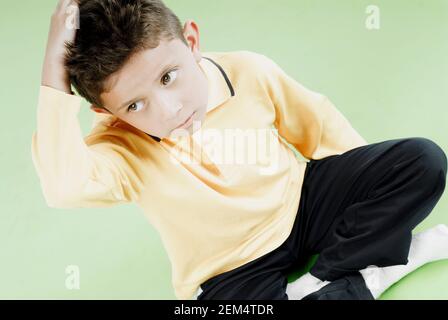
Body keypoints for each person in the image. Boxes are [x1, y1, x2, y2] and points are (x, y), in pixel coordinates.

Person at [32, 0, 448, 300]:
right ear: (106, 110)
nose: (169, 108)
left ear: (192, 41)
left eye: (168, 77)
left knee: (422, 160)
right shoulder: (117, 145)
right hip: (231, 269)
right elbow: (63, 187)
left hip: (300, 205)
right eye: (135, 105)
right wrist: (54, 65)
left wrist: (370, 205)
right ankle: (388, 269)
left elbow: (321, 129)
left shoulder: (246, 69)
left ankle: (323, 283)